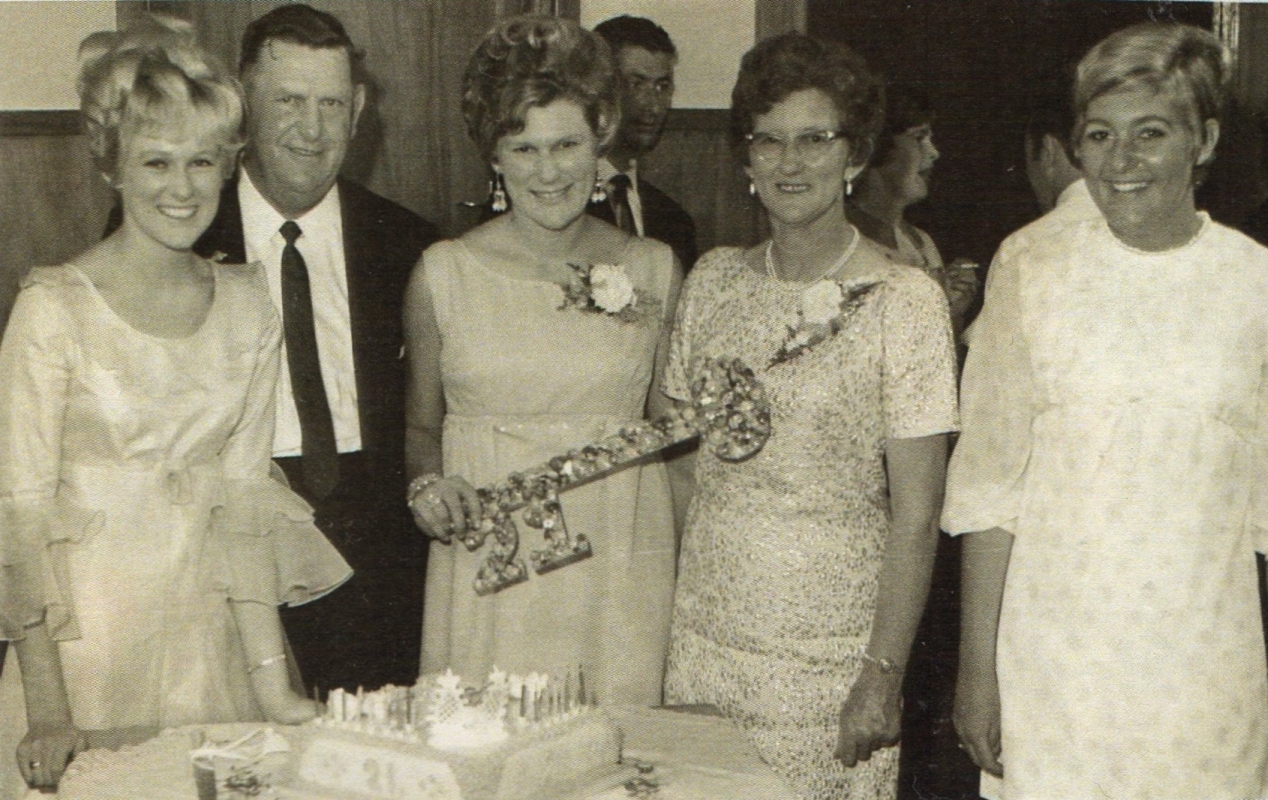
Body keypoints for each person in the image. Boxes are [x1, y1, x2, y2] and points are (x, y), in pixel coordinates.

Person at [0, 16, 352, 795]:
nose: (182, 187)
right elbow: (18, 520)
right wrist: (51, 712)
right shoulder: (53, 309)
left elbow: (244, 504)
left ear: (230, 166)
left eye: (203, 162)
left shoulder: (248, 302)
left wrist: (270, 689)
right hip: (86, 643)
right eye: (156, 162)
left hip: (211, 637)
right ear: (111, 168)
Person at [947, 22, 1268, 800]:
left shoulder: (1252, 281)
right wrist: (976, 672)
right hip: (1057, 666)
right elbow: (990, 491)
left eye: (1150, 133)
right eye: (1100, 135)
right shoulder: (1032, 267)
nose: (1121, 163)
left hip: (1203, 673)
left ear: (1205, 140)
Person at [661, 33, 958, 799]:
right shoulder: (711, 282)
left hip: (831, 658)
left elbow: (918, 515)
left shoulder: (906, 301)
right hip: (703, 644)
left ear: (855, 154)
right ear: (746, 157)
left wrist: (880, 676)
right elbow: (682, 468)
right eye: (770, 141)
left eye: (815, 140)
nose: (790, 164)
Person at [406, 15, 680, 706]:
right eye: (523, 148)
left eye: (567, 144)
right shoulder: (443, 272)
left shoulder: (652, 268)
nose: (548, 171)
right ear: (494, 156)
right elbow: (419, 431)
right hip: (490, 569)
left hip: (620, 566)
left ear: (601, 141)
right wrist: (428, 490)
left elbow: (677, 439)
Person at [193, 4, 438, 693]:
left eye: (332, 103)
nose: (313, 128)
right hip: (237, 540)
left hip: (381, 554)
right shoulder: (182, 228)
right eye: (290, 101)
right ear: (243, 106)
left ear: (359, 109)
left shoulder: (406, 242)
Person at [846, 84, 977, 337]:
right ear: (877, 146)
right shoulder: (843, 242)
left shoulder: (921, 243)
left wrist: (954, 311)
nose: (934, 153)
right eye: (919, 138)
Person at [591, 15, 698, 271]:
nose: (653, 106)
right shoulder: (556, 202)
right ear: (598, 89)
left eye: (662, 86)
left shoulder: (675, 221)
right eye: (636, 84)